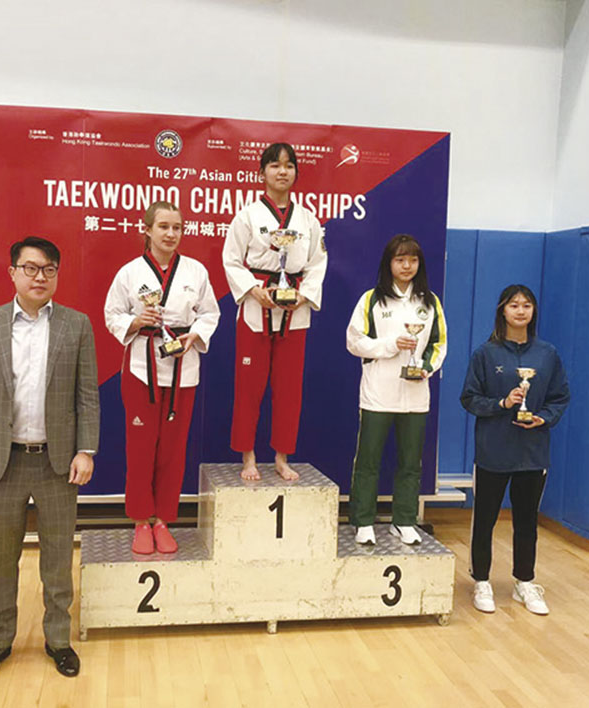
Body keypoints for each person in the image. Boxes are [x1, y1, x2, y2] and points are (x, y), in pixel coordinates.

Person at [0, 236, 100, 680]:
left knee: (57, 561)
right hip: (1, 464)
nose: (40, 276)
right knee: (1, 560)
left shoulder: (77, 325)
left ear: (57, 274)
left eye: (49, 269)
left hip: (57, 464)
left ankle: (58, 639)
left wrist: (86, 450)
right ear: (13, 273)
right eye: (31, 268)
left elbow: (87, 395)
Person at [104, 202, 220, 554]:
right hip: (142, 369)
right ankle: (141, 520)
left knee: (173, 449)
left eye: (177, 227)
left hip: (183, 368)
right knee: (141, 449)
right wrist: (135, 322)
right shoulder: (129, 273)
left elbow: (210, 313)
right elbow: (112, 314)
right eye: (164, 227)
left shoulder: (196, 271)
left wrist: (194, 336)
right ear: (147, 230)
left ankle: (164, 520)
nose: (171, 234)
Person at [460, 284, 570, 615]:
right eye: (514, 305)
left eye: (526, 306)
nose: (520, 311)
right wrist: (502, 403)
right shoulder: (485, 353)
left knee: (526, 521)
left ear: (533, 312)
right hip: (493, 451)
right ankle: (481, 580)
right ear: (502, 311)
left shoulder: (547, 354)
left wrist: (543, 417)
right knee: (485, 520)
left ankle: (525, 581)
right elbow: (469, 398)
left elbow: (560, 396)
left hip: (533, 453)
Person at [222, 142, 328, 481]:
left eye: (289, 165)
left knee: (289, 389)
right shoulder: (247, 216)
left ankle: (282, 457)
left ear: (296, 172)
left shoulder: (308, 219)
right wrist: (253, 290)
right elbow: (231, 260)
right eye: (275, 165)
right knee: (249, 387)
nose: (282, 171)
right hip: (256, 310)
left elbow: (317, 263)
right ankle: (248, 456)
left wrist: (304, 295)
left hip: (294, 312)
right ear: (262, 173)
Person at [346, 234, 447, 546]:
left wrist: (426, 368)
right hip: (378, 393)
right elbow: (354, 342)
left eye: (413, 260)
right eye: (400, 259)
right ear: (388, 263)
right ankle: (363, 521)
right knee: (368, 460)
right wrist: (390, 345)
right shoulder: (371, 300)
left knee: (411, 462)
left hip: (416, 396)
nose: (407, 266)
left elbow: (438, 344)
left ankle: (404, 520)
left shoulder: (430, 302)